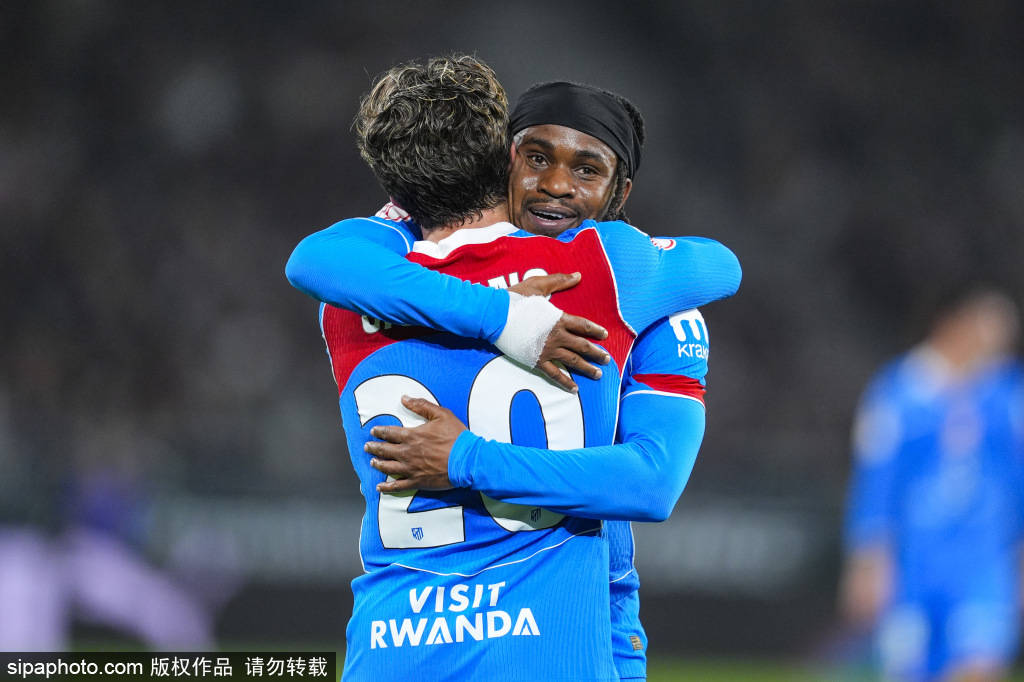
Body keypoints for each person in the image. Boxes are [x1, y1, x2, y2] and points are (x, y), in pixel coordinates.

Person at [287, 56, 739, 679]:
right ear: (504, 159)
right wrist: (506, 316)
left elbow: (313, 258)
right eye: (537, 158)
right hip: (545, 647)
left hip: (390, 643)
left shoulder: (356, 293)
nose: (556, 185)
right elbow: (721, 266)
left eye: (586, 169)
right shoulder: (618, 278)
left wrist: (488, 316)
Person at [840, 287, 1024, 682]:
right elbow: (877, 479)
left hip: (982, 563)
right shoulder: (900, 392)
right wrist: (868, 558)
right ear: (954, 326)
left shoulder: (1005, 394)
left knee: (978, 667)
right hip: (913, 563)